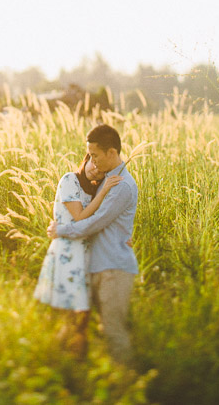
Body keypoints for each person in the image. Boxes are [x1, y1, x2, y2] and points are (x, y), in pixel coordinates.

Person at [47, 124, 138, 365]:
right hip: (95, 266)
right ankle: (72, 373)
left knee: (113, 331)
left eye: (95, 155)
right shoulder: (103, 181)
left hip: (113, 269)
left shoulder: (121, 185)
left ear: (111, 152)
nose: (92, 161)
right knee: (82, 327)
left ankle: (126, 389)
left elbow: (95, 222)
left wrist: (61, 230)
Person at [33, 153, 123, 357]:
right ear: (86, 159)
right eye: (93, 162)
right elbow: (80, 216)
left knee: (82, 313)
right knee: (70, 310)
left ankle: (72, 359)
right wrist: (105, 190)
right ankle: (55, 355)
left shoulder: (94, 188)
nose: (95, 169)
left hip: (86, 254)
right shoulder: (69, 180)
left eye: (101, 170)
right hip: (67, 254)